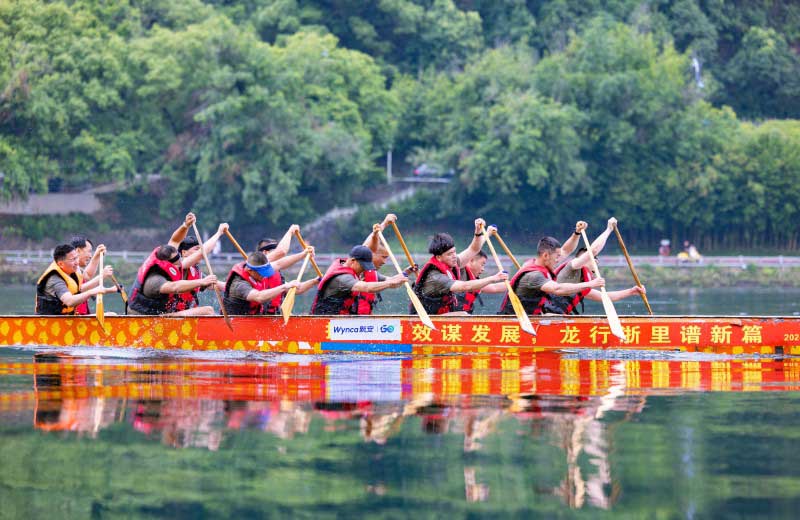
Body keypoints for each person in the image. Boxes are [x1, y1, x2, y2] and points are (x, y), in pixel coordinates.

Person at [548, 218, 646, 314]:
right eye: (593, 259)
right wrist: (609, 229)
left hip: (558, 317)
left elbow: (605, 297)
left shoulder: (582, 284)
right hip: (546, 315)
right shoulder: (573, 265)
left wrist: (631, 291)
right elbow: (593, 250)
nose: (596, 262)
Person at [412, 219, 508, 315]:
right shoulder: (436, 277)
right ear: (439, 257)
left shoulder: (453, 262)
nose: (454, 256)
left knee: (463, 314)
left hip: (441, 316)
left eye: (454, 252)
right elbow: (465, 286)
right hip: (426, 318)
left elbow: (473, 249)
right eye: (449, 254)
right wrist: (494, 278)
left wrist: (478, 232)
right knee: (463, 314)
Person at [500, 236, 604, 316]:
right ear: (546, 255)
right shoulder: (534, 275)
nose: (559, 260)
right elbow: (557, 289)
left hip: (531, 317)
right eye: (557, 257)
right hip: (514, 320)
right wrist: (590, 284)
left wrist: (576, 234)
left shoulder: (538, 264)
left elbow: (566, 250)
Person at [311, 246, 407, 315]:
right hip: (325, 321)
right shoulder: (342, 278)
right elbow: (367, 287)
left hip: (342, 321)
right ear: (353, 261)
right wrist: (389, 283)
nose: (364, 269)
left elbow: (391, 281)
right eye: (363, 266)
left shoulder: (355, 268)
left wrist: (405, 274)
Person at [128, 245, 217, 316]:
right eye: (177, 265)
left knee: (207, 310)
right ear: (167, 264)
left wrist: (185, 227)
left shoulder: (168, 260)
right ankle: (172, 315)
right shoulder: (155, 280)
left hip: (160, 313)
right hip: (144, 317)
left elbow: (175, 240)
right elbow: (175, 287)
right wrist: (201, 282)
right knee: (208, 311)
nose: (180, 268)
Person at [35, 244, 117, 315]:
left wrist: (97, 256)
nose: (77, 262)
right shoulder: (55, 280)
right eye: (72, 259)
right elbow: (69, 301)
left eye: (76, 258)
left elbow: (83, 282)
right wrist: (92, 292)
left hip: (68, 319)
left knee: (111, 315)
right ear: (61, 264)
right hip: (50, 322)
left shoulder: (72, 271)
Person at [222, 251, 314, 315]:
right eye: (262, 273)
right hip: (236, 323)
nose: (264, 276)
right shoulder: (239, 285)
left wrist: (303, 254)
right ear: (250, 270)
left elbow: (279, 264)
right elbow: (259, 297)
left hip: (252, 320)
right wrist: (284, 286)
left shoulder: (256, 268)